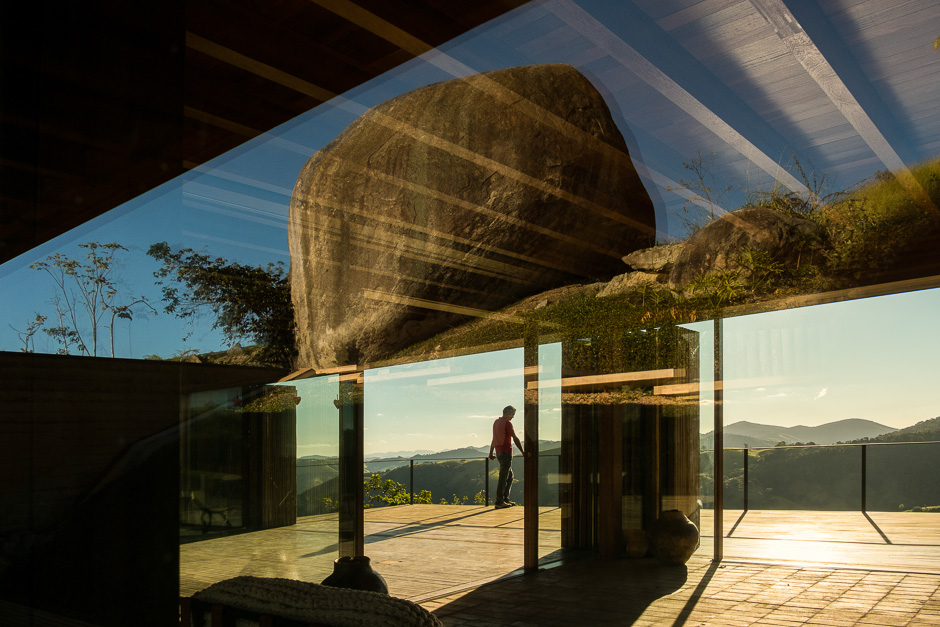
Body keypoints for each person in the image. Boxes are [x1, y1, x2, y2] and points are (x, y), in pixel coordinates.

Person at [488, 405, 524, 508]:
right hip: (506, 453)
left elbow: (494, 439)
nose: (513, 416)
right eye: (513, 414)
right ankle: (499, 502)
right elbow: (515, 438)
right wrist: (523, 451)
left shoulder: (496, 422)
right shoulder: (507, 423)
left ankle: (505, 499)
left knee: (510, 476)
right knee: (503, 478)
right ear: (508, 412)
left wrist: (491, 453)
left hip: (499, 453)